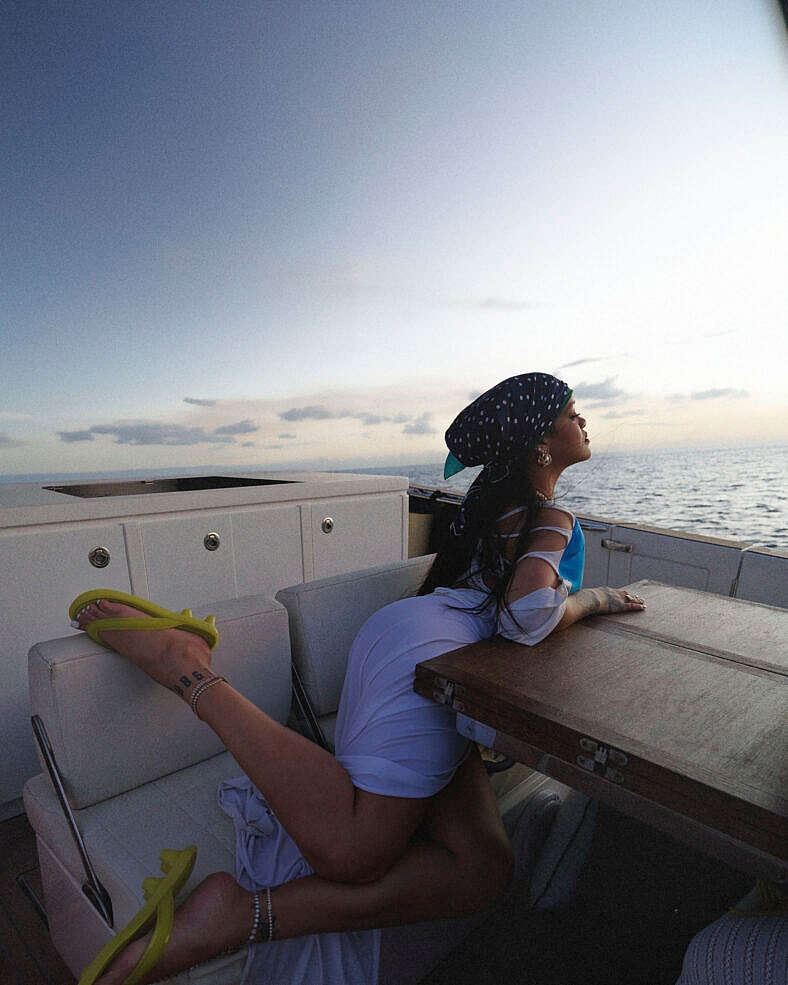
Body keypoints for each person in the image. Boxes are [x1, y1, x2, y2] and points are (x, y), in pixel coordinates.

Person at [72, 372, 647, 985]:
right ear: (539, 438)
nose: (583, 421)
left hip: (411, 639)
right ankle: (185, 667)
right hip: (431, 659)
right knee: (353, 851)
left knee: (481, 871)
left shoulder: (493, 506)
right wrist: (600, 599)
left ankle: (244, 910)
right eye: (571, 412)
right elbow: (526, 615)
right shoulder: (549, 513)